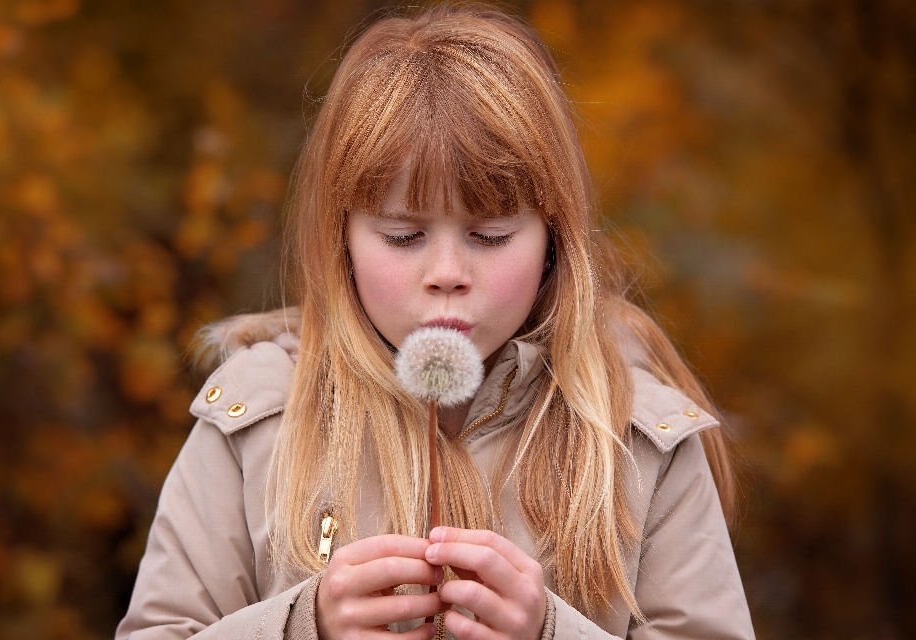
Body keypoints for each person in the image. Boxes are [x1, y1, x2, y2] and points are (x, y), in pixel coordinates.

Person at [116, 5, 755, 640]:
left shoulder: (640, 444)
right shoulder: (255, 429)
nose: (447, 271)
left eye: (490, 234)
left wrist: (551, 634)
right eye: (402, 236)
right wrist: (299, 628)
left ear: (554, 239)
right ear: (339, 240)